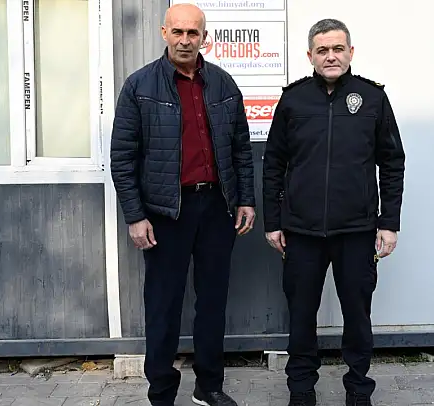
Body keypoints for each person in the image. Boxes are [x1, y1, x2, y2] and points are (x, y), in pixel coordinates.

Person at [109, 3, 256, 405]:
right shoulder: (139, 86)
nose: (185, 40)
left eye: (193, 33)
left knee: (212, 302)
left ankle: (209, 386)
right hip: (165, 214)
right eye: (178, 32)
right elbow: (122, 158)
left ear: (204, 37)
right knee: (163, 305)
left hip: (216, 209)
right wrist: (135, 216)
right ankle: (161, 391)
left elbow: (241, 150)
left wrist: (245, 199)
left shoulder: (223, 84)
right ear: (164, 33)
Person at [262, 18, 406, 406]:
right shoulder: (293, 100)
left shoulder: (372, 98)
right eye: (322, 50)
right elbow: (273, 162)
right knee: (301, 317)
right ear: (310, 55)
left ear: (350, 52)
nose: (331, 56)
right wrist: (273, 222)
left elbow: (392, 161)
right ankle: (301, 390)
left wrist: (389, 223)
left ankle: (358, 390)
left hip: (356, 231)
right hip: (301, 232)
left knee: (357, 317)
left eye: (338, 49)